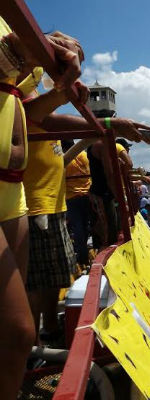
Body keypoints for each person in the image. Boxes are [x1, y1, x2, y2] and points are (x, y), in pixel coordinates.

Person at [0, 18, 84, 398]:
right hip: (22, 194)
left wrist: (63, 91)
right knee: (18, 332)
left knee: (12, 331)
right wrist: (26, 47)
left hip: (13, 190)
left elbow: (32, 116)